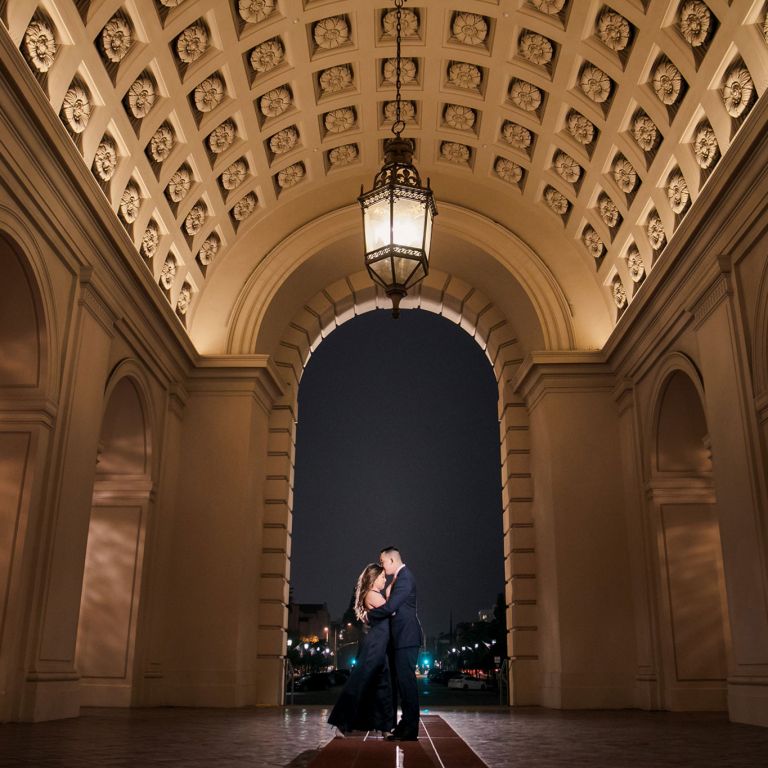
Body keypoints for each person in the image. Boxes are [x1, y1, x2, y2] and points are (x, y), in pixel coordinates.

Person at [327, 563, 395, 735]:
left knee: (382, 684)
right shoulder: (372, 595)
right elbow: (392, 610)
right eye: (382, 577)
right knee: (359, 682)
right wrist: (392, 590)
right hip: (374, 645)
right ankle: (340, 723)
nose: (384, 579)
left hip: (380, 644)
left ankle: (385, 727)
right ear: (373, 579)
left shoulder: (375, 594)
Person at [366, 546, 423, 742]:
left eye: (382, 562)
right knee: (402, 684)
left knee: (407, 685)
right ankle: (404, 726)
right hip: (401, 639)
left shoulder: (405, 577)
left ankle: (410, 729)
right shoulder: (400, 578)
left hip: (407, 639)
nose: (381, 565)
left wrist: (368, 615)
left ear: (391, 560)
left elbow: (391, 607)